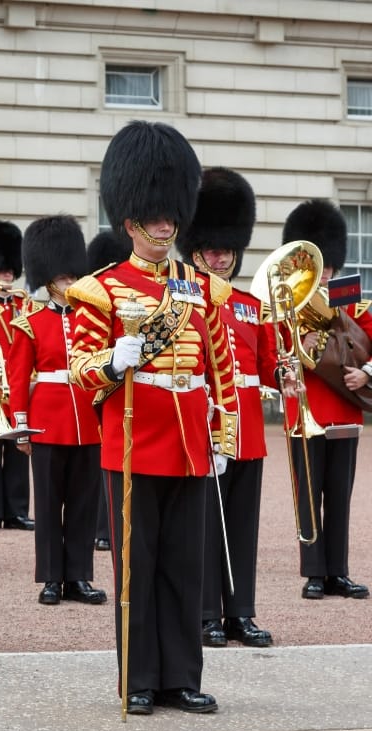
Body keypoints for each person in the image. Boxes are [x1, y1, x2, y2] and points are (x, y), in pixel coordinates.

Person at [67, 121, 238, 716]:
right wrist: (115, 362)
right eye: (155, 218)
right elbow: (79, 371)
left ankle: (180, 678)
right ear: (131, 221)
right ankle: (138, 678)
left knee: (185, 569)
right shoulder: (102, 291)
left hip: (190, 444)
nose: (166, 227)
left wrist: (222, 436)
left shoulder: (203, 290)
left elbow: (221, 369)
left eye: (171, 217)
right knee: (137, 571)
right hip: (135, 442)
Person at [176, 167, 275, 648]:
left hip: (249, 429)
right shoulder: (184, 300)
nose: (219, 257)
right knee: (205, 527)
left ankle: (240, 613)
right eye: (212, 250)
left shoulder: (250, 305)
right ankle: (205, 614)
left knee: (241, 526)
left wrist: (291, 366)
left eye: (226, 251)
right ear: (196, 252)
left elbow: (268, 367)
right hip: (206, 426)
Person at [9, 215, 106, 606]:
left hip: (88, 419)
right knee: (49, 504)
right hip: (47, 421)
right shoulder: (30, 323)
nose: (68, 283)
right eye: (62, 277)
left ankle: (79, 576)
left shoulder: (92, 320)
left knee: (84, 503)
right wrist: (21, 425)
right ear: (48, 279)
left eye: (72, 276)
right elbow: (18, 378)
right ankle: (51, 577)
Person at [280, 199, 370, 601]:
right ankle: (313, 572)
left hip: (344, 410)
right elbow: (275, 352)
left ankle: (338, 572)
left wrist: (366, 374)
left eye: (329, 265)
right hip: (306, 411)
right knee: (308, 496)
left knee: (338, 497)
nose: (326, 272)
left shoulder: (350, 298)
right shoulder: (287, 303)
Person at [0, 220, 34, 532]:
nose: (7, 275)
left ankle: (16, 510)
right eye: (2, 270)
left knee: (18, 450)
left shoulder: (24, 305)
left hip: (18, 384)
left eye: (11, 270)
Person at [85, 229, 133, 553]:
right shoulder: (97, 298)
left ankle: (107, 526)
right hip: (101, 383)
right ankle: (101, 527)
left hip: (122, 387)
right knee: (100, 463)